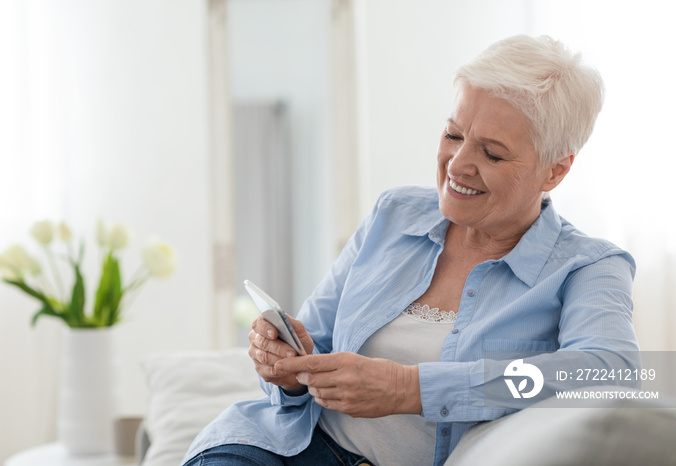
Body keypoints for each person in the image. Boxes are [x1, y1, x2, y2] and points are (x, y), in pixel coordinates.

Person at [182, 34, 639, 466]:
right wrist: (286, 368)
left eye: (493, 154)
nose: (458, 164)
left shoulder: (588, 266)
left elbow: (609, 369)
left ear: (554, 171)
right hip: (281, 447)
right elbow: (315, 344)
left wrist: (411, 388)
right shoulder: (394, 213)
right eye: (453, 135)